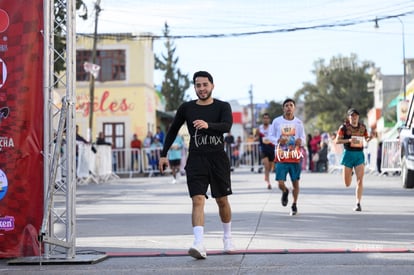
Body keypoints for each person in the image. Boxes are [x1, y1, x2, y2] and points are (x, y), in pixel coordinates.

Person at [158, 71, 235, 260]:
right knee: (197, 199)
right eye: (198, 85)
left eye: (205, 85)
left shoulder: (222, 106)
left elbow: (227, 126)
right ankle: (198, 243)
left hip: (218, 160)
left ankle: (227, 238)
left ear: (212, 86)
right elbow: (173, 129)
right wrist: (163, 154)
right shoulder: (187, 108)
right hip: (196, 160)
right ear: (194, 87)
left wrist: (208, 125)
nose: (201, 89)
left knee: (222, 200)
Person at [269, 98, 306, 216]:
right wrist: (278, 140)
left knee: (296, 182)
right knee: (280, 182)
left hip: (295, 156)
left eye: (291, 105)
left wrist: (301, 141)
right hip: (281, 156)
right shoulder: (276, 121)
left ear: (294, 108)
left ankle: (294, 204)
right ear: (283, 108)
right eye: (286, 105)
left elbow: (303, 138)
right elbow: (270, 136)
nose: (289, 107)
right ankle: (285, 191)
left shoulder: (299, 123)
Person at [335, 108, 371, 212]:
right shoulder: (344, 127)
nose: (354, 117)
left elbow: (366, 138)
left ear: (358, 117)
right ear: (349, 117)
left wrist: (371, 137)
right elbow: (337, 140)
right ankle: (350, 173)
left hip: (359, 154)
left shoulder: (362, 127)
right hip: (348, 154)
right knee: (347, 184)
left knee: (360, 180)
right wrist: (349, 140)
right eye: (352, 116)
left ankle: (358, 203)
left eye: (356, 115)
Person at [257, 113, 275, 190]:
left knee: (270, 167)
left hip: (271, 149)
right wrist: (257, 137)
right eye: (264, 118)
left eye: (267, 118)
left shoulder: (272, 127)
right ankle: (268, 183)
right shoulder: (259, 128)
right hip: (263, 149)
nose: (266, 119)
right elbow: (256, 137)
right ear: (263, 119)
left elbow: (276, 136)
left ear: (269, 119)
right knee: (266, 166)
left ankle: (266, 176)